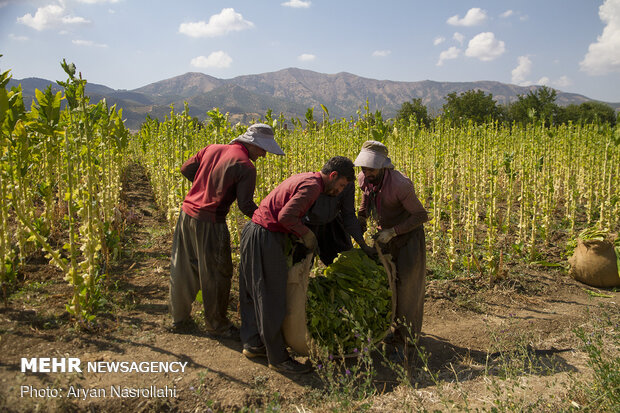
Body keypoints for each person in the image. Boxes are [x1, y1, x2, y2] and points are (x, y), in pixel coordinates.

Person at [239, 156, 355, 374]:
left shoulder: (306, 178)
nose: (340, 191)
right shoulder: (313, 187)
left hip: (254, 231)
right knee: (272, 296)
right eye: (340, 185)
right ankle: (278, 358)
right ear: (332, 176)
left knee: (253, 290)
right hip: (266, 235)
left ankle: (253, 343)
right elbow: (286, 216)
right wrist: (307, 234)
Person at [169, 123, 284, 338]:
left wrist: (203, 186)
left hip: (186, 215)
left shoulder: (211, 149)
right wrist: (270, 224)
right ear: (252, 144)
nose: (264, 155)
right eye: (263, 150)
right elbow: (246, 205)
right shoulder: (246, 166)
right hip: (211, 222)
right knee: (216, 273)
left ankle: (179, 318)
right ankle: (217, 324)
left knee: (183, 267)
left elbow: (186, 169)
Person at [354, 141, 428, 360]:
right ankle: (390, 331)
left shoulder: (400, 184)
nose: (367, 172)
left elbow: (420, 215)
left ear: (383, 166)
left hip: (408, 238)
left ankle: (407, 340)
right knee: (387, 284)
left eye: (371, 168)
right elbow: (366, 199)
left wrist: (394, 231)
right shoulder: (363, 179)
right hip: (385, 236)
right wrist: (361, 215)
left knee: (407, 289)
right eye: (364, 168)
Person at [302, 181, 375, 266]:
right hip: (308, 223)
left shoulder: (348, 184)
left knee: (342, 257)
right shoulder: (311, 187)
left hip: (332, 220)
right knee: (304, 260)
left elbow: (349, 215)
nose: (340, 189)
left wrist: (363, 245)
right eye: (341, 185)